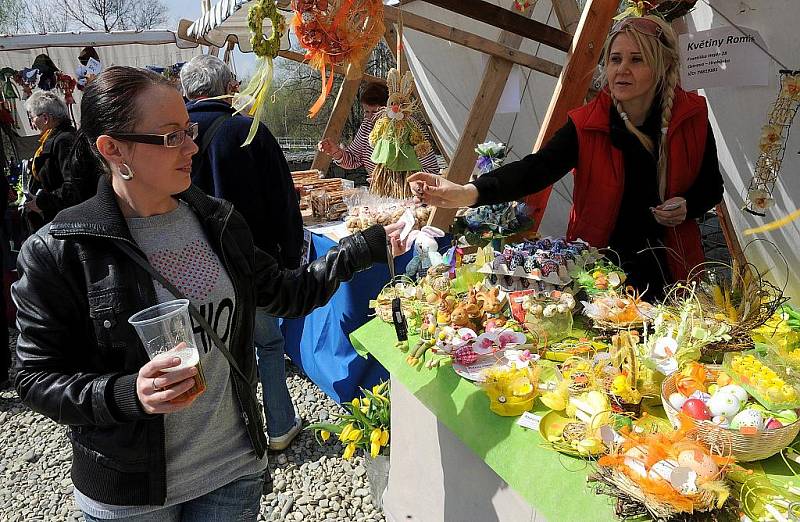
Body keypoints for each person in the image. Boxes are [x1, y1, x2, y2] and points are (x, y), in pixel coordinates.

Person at [12, 66, 404, 521]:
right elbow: (35, 377)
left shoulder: (216, 220)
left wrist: (364, 247)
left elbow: (285, 294)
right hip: (130, 491)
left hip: (231, 468)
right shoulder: (61, 249)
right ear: (113, 148)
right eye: (171, 136)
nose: (192, 147)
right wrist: (128, 393)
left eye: (189, 131)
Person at [409, 16, 724, 298]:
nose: (622, 69)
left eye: (636, 59)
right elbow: (537, 169)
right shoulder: (588, 123)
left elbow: (711, 187)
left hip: (672, 267)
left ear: (661, 67)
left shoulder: (691, 118)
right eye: (615, 59)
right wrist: (468, 192)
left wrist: (688, 205)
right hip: (600, 269)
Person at [180, 55, 304, 451]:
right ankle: (280, 426)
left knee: (209, 351)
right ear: (227, 84)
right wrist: (290, 256)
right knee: (266, 344)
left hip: (185, 265)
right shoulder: (247, 131)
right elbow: (283, 199)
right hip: (250, 263)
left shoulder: (168, 137)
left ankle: (223, 437)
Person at [317, 82, 440, 177]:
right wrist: (335, 152)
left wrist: (394, 179)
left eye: (375, 112)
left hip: (409, 194)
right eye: (366, 111)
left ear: (389, 108)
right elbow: (353, 159)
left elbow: (431, 169)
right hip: (381, 195)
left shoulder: (409, 126)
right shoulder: (367, 125)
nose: (370, 117)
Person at [23, 90, 82, 232]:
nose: (32, 122)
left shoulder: (64, 140)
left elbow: (73, 186)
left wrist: (42, 202)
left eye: (32, 118)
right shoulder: (54, 139)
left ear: (45, 118)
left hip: (68, 222)